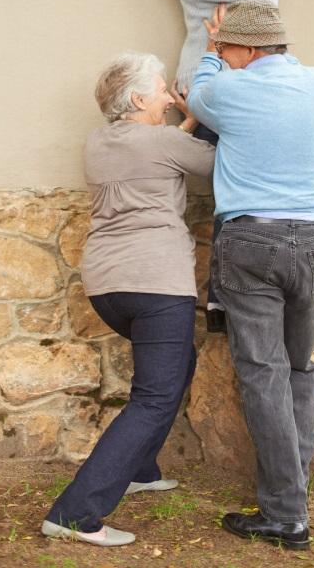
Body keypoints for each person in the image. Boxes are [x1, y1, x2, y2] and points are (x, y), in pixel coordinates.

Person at [120, 0, 308, 330]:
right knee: (241, 192)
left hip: (198, 95)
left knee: (210, 192)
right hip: (257, 94)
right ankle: (233, 298)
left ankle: (201, 297)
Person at [42, 53, 215, 547]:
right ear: (139, 99)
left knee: (178, 365)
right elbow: (215, 163)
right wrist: (202, 113)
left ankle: (139, 469)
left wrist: (182, 122)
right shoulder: (164, 141)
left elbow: (158, 151)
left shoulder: (98, 142)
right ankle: (76, 513)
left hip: (107, 286)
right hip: (157, 283)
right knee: (155, 397)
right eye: (161, 89)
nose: (167, 95)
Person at [187, 2, 314, 551]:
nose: (225, 55)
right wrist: (226, 47)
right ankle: (290, 503)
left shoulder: (229, 88)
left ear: (248, 51)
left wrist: (209, 53)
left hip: (252, 241)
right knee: (299, 369)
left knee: (264, 375)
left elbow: (199, 95)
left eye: (230, 48)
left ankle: (285, 515)